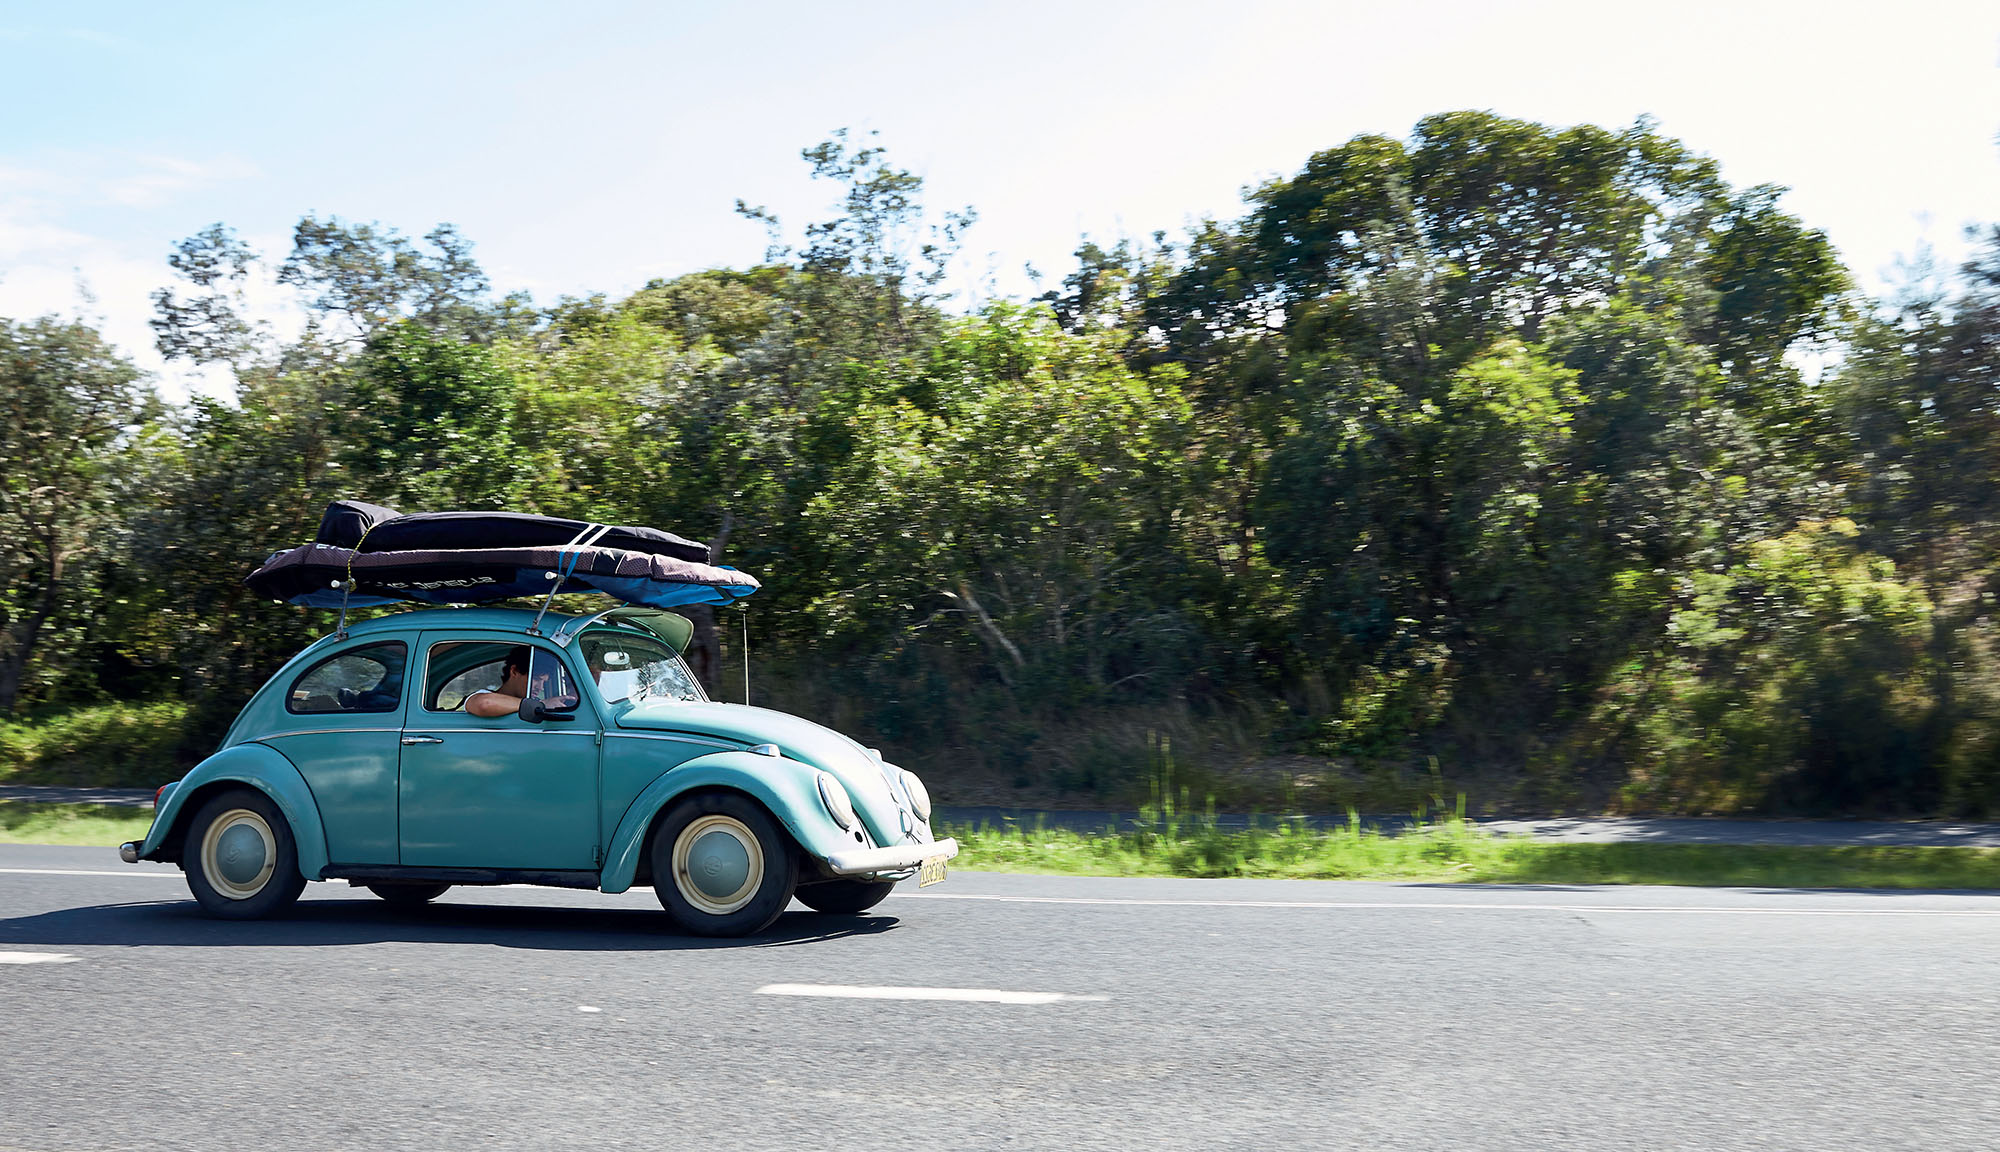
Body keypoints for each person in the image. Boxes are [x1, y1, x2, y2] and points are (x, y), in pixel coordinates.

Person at [465, 645, 532, 718]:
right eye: (537, 679)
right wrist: (531, 706)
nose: (540, 687)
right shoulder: (484, 695)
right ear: (514, 671)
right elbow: (485, 704)